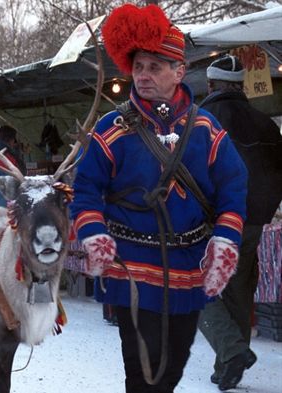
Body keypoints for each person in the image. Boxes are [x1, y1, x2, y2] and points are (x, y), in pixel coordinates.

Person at [70, 4, 248, 392]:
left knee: (173, 369)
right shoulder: (112, 128)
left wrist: (225, 241)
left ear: (179, 72)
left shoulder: (205, 127)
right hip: (132, 267)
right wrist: (95, 236)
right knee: (143, 372)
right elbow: (84, 190)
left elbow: (234, 185)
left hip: (188, 266)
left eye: (155, 66)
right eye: (139, 67)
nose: (144, 75)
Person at [197, 55, 282, 391]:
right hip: (253, 222)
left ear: (211, 85)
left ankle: (232, 352)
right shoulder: (266, 123)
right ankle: (228, 368)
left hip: (212, 220)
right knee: (239, 288)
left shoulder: (202, 121)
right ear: (241, 85)